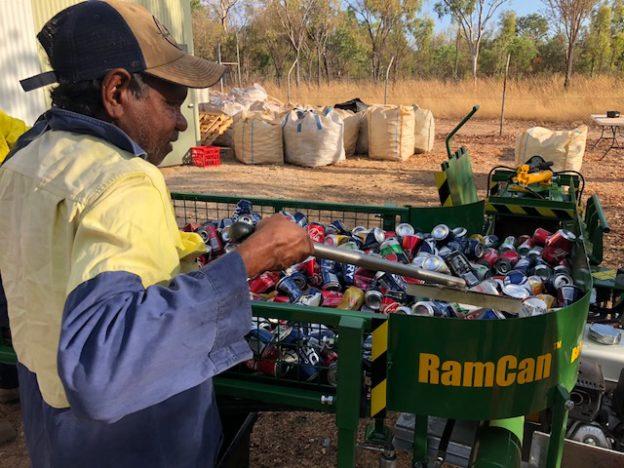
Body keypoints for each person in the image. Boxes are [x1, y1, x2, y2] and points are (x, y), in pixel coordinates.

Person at [0, 1, 312, 466]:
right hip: (133, 442)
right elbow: (101, 370)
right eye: (171, 103)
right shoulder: (123, 180)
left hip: (53, 430)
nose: (182, 123)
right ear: (117, 91)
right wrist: (250, 259)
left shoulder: (22, 164)